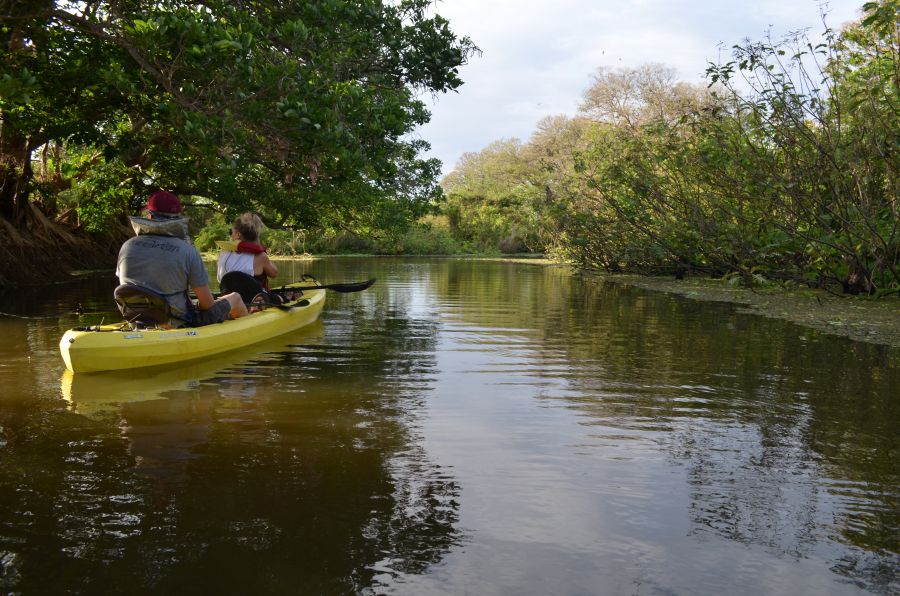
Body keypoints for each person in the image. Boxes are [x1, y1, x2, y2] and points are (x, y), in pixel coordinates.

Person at [116, 190, 248, 326]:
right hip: (179, 323)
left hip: (137, 321)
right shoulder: (187, 251)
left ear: (149, 217)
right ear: (178, 219)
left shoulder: (127, 246)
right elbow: (208, 304)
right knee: (236, 298)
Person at [216, 212, 278, 289]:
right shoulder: (260, 256)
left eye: (230, 232)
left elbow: (220, 278)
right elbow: (274, 274)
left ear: (238, 235)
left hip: (227, 297)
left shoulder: (223, 253)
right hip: (252, 299)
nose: (230, 235)